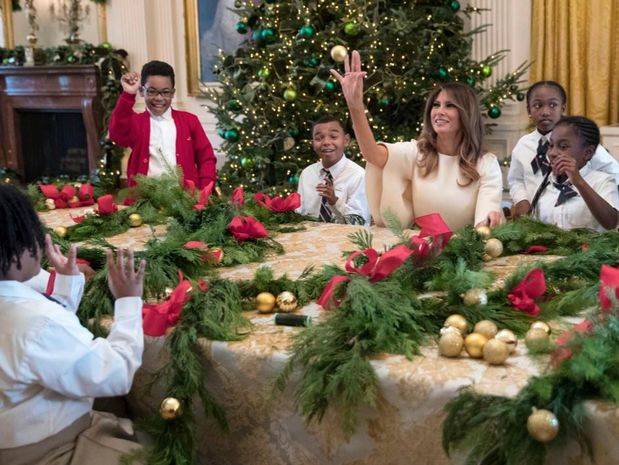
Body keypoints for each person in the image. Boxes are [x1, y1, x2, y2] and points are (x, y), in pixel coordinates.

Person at [0, 184, 147, 465]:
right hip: (51, 448)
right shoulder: (36, 322)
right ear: (16, 253)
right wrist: (128, 302)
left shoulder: (27, 316)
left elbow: (44, 353)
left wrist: (66, 282)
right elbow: (115, 373)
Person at [330, 51, 503, 231]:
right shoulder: (417, 152)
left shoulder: (486, 164)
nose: (439, 111)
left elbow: (487, 213)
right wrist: (355, 105)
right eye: (436, 105)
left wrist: (489, 220)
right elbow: (372, 155)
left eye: (450, 105)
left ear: (467, 114)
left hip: (464, 253)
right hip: (421, 248)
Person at [508, 80, 619, 217]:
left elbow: (614, 172)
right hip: (536, 224)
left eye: (553, 105)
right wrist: (521, 199)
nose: (545, 112)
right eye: (538, 105)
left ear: (563, 108)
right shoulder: (523, 146)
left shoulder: (579, 143)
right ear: (529, 110)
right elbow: (516, 180)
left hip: (573, 221)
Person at [109, 60, 217, 188]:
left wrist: (204, 190)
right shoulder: (136, 122)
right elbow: (116, 134)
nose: (159, 98)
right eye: (152, 91)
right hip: (144, 200)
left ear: (172, 93)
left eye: (165, 92)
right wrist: (128, 94)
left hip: (184, 201)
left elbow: (206, 158)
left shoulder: (190, 121)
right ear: (142, 91)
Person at [532, 116, 618, 231]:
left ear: (587, 153)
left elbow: (612, 223)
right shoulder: (544, 185)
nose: (552, 153)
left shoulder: (602, 181)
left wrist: (578, 181)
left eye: (563, 147)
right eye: (551, 145)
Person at [296, 115, 370, 225]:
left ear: (346, 140)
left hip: (345, 240)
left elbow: (361, 222)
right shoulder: (307, 174)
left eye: (333, 136)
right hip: (310, 238)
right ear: (313, 143)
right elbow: (299, 212)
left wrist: (334, 201)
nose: (326, 142)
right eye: (319, 138)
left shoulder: (358, 175)